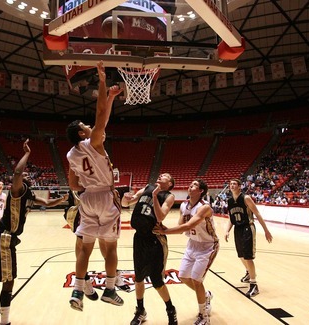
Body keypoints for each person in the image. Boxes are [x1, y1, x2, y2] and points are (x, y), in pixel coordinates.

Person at [0, 139, 68, 325]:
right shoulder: (18, 191)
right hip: (5, 236)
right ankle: (4, 321)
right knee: (8, 281)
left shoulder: (30, 194)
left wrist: (62, 199)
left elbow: (48, 203)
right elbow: (17, 172)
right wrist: (27, 153)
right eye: (26, 177)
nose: (28, 178)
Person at [66, 61, 123, 312]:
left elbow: (72, 183)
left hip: (86, 198)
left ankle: (78, 290)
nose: (90, 127)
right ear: (81, 133)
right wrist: (102, 82)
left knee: (85, 248)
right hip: (105, 197)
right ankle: (110, 289)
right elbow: (100, 116)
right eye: (85, 127)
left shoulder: (70, 154)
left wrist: (110, 98)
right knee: (110, 247)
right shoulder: (94, 143)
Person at [156, 179, 218, 325]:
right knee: (183, 276)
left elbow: (189, 225)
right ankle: (206, 295)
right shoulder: (184, 205)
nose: (191, 186)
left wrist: (166, 232)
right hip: (192, 244)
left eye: (195, 185)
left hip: (208, 246)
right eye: (190, 184)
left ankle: (204, 316)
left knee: (197, 280)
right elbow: (180, 226)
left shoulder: (204, 207)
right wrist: (163, 227)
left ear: (201, 191)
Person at [121, 173, 178, 325]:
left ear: (170, 183)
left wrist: (155, 196)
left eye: (165, 176)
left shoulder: (168, 196)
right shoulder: (147, 187)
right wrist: (125, 198)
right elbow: (127, 203)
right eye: (160, 174)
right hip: (139, 238)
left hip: (155, 239)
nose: (161, 175)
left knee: (157, 281)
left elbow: (160, 217)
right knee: (138, 278)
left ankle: (171, 310)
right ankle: (140, 311)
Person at [224, 178, 273, 298]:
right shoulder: (230, 201)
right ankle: (248, 272)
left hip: (248, 227)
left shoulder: (245, 198)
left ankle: (254, 285)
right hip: (237, 228)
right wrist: (226, 230)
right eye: (230, 184)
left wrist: (266, 231)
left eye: (234, 183)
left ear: (240, 186)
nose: (232, 185)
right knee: (241, 255)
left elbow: (257, 214)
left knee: (248, 256)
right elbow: (231, 218)